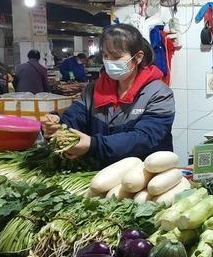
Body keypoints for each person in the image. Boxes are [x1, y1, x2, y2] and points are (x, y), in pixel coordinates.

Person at [41, 24, 175, 166]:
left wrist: (94, 145)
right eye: (106, 56)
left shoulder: (159, 94)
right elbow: (74, 118)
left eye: (116, 56)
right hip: (101, 173)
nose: (109, 62)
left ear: (138, 58)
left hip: (144, 176)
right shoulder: (93, 90)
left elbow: (144, 139)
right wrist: (57, 124)